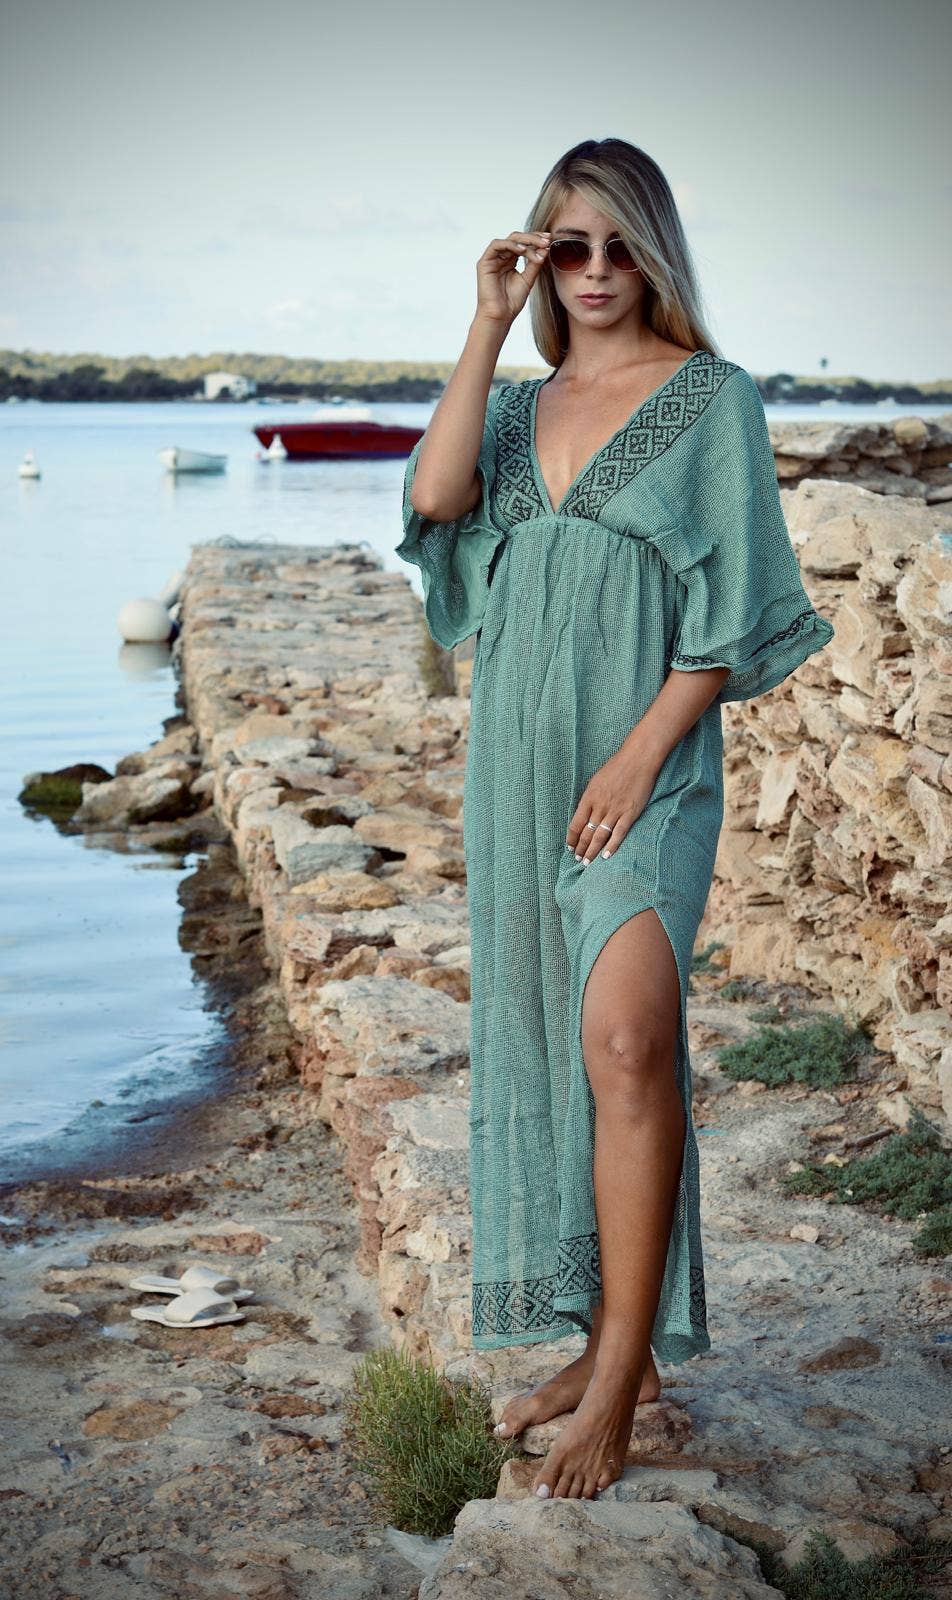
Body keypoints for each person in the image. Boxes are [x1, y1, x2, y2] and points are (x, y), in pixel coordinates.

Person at [395, 137, 835, 1503]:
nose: (594, 271)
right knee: (558, 1043)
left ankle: (621, 1387)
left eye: (617, 245)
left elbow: (732, 614)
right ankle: (607, 1356)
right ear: (539, 259)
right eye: (567, 247)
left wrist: (643, 758)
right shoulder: (516, 410)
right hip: (520, 769)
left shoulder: (710, 399)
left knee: (631, 1041)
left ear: (654, 254)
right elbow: (434, 503)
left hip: (647, 772)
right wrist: (484, 323)